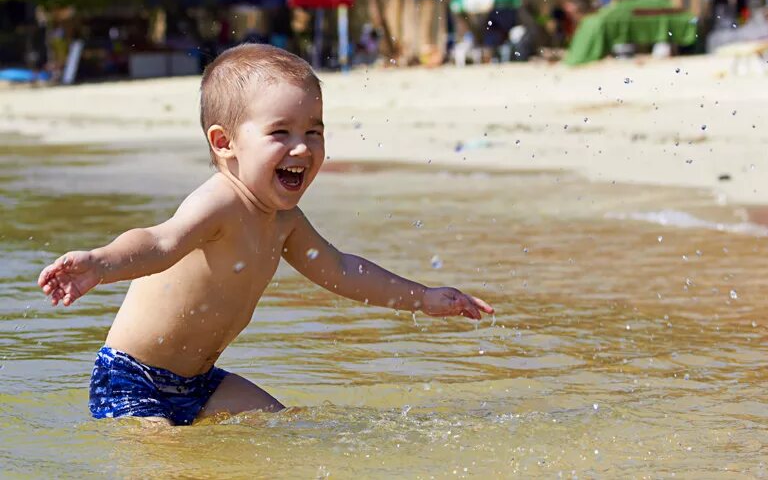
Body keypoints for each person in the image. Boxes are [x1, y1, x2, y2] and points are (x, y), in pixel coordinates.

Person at [37, 43, 494, 426]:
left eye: (314, 131)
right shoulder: (219, 202)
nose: (302, 147)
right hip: (133, 380)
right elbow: (159, 243)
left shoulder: (285, 221)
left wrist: (424, 297)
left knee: (285, 427)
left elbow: (341, 270)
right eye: (281, 132)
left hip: (202, 384)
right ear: (224, 143)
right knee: (167, 460)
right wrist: (100, 263)